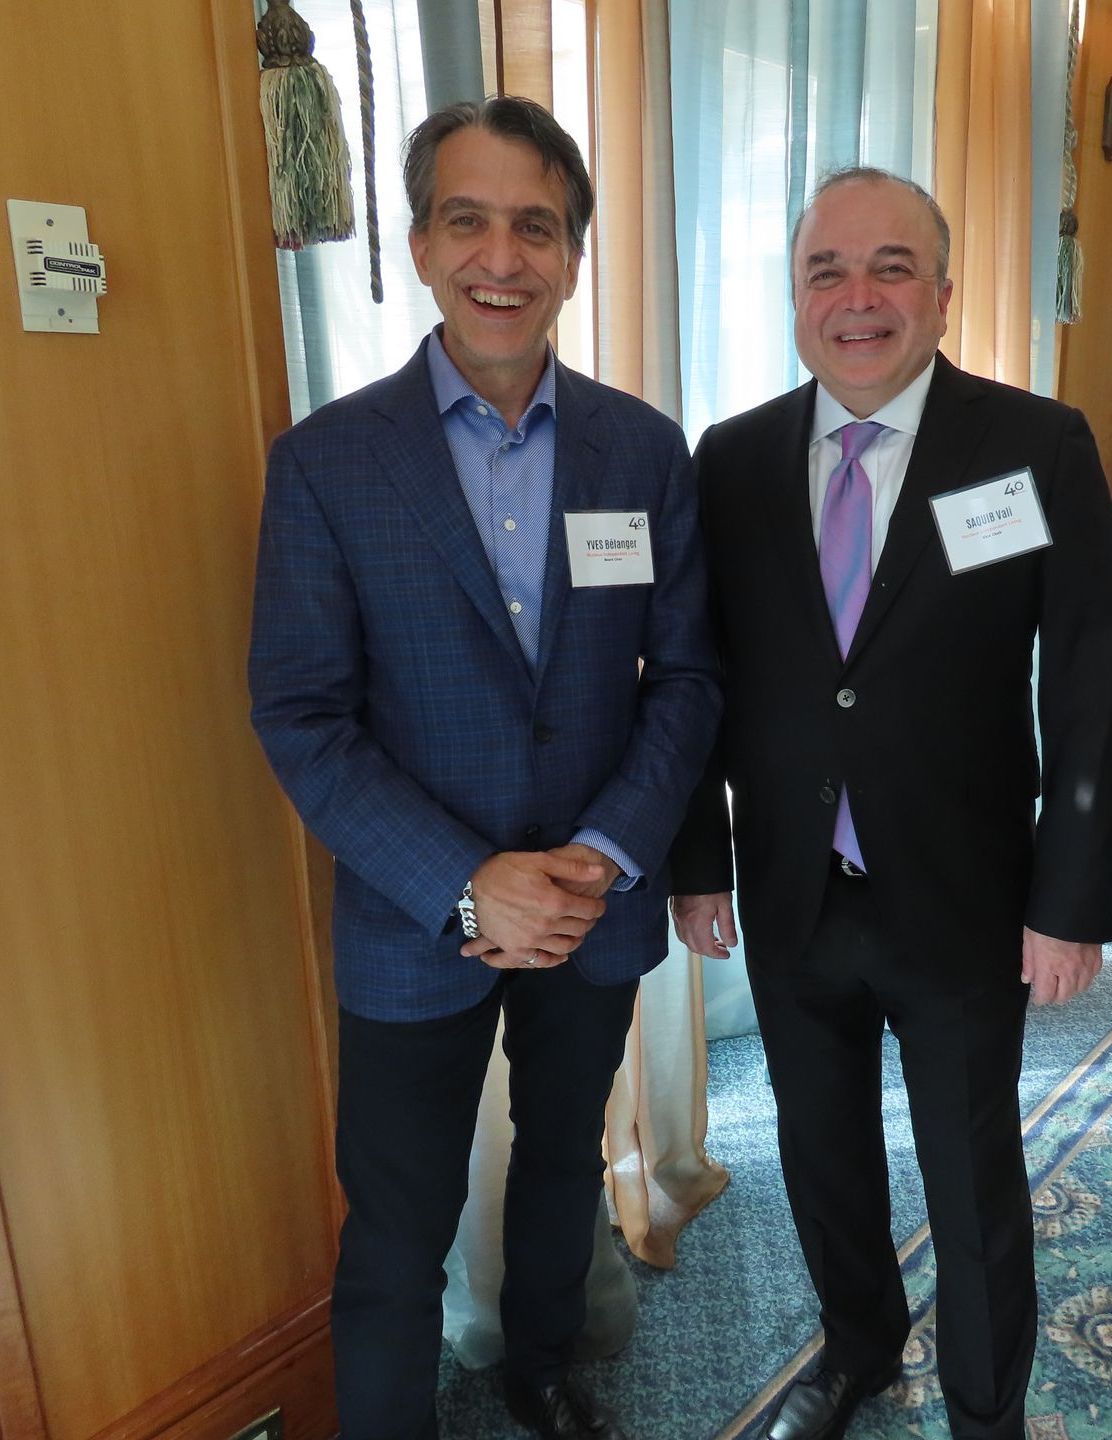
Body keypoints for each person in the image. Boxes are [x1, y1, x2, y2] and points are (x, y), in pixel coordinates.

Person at [248, 97, 720, 1440]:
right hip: (415, 921)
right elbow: (299, 712)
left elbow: (688, 679)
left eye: (535, 225)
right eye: (468, 219)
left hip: (598, 901)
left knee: (565, 1163)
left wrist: (602, 858)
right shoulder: (327, 463)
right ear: (416, 243)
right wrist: (469, 881)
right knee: (399, 1218)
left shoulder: (643, 448)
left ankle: (544, 1369)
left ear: (573, 255)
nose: (500, 256)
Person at [670, 167, 1112, 1440]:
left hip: (965, 899)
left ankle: (987, 1413)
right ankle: (859, 1345)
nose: (858, 298)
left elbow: (1090, 681)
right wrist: (697, 858)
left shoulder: (1034, 445)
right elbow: (697, 672)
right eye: (827, 270)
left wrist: (1071, 895)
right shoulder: (733, 459)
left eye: (890, 269)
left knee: (971, 1177)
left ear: (941, 292)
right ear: (795, 297)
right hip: (792, 889)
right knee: (821, 1154)